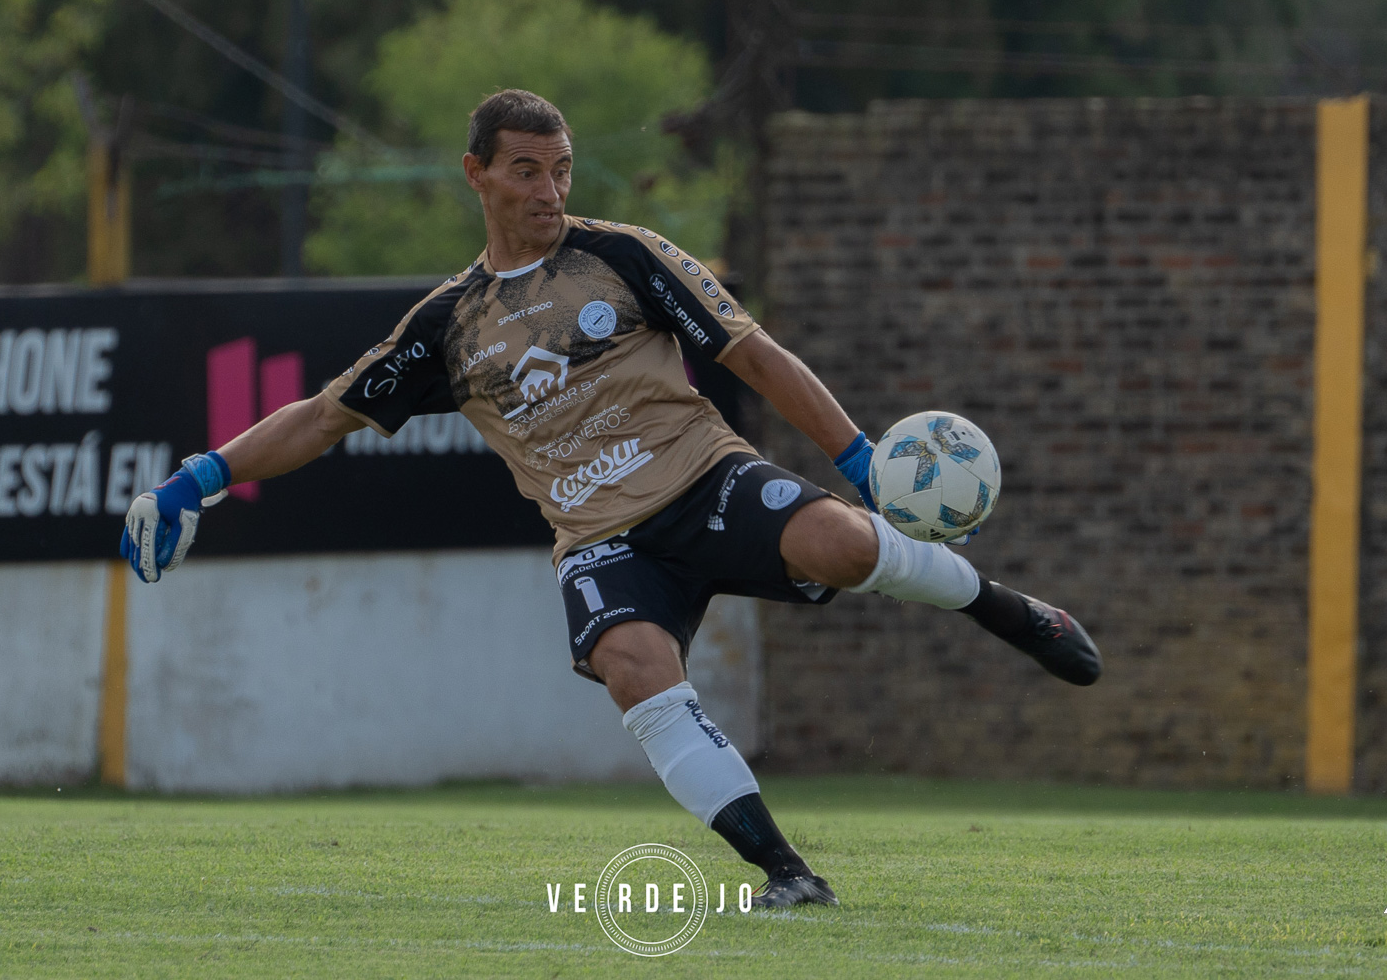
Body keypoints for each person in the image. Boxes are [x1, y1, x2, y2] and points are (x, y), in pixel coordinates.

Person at [121, 89, 1101, 909]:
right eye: (524, 170)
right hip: (601, 540)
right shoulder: (446, 327)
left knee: (847, 546)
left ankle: (1007, 607)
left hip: (706, 478)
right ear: (477, 174)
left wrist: (858, 457)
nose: (548, 190)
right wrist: (196, 479)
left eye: (561, 168)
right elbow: (321, 415)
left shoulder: (624, 254)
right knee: (634, 667)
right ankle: (787, 875)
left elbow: (752, 352)